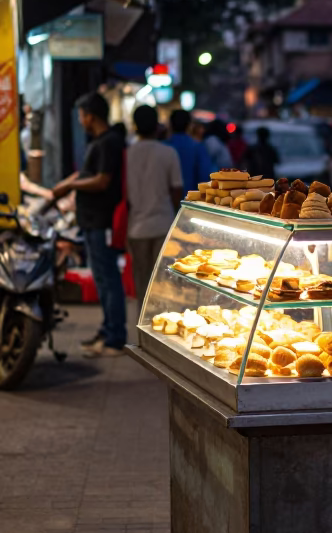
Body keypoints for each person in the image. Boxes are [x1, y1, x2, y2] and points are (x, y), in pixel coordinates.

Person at [52, 91, 127, 357]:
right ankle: (108, 331)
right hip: (93, 220)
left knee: (108, 279)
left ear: (90, 116)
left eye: (82, 115)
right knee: (102, 277)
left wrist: (71, 185)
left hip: (102, 221)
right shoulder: (101, 141)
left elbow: (102, 180)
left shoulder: (108, 142)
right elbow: (89, 175)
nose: (80, 120)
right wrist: (70, 182)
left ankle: (115, 338)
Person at [126, 105, 184, 302]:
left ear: (134, 126)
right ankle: (160, 329)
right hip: (163, 225)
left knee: (142, 288)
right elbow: (177, 190)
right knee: (162, 288)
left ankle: (142, 331)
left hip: (136, 228)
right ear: (157, 126)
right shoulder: (169, 153)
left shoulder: (127, 153)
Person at [166, 109, 212, 196]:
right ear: (189, 125)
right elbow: (204, 178)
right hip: (190, 202)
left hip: (167, 203)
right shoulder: (198, 147)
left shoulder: (164, 147)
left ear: (170, 125)